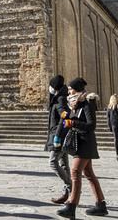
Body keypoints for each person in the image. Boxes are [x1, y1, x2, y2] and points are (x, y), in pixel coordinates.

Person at [57, 77, 107, 219]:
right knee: (89, 174)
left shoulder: (87, 104)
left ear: (77, 89)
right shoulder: (77, 104)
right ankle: (100, 205)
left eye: (70, 88)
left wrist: (72, 123)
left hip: (85, 142)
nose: (68, 91)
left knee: (75, 172)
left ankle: (71, 206)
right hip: (80, 142)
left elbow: (91, 126)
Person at [46, 75, 72, 204]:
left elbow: (65, 115)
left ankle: (70, 185)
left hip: (59, 137)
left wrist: (57, 135)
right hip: (60, 135)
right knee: (64, 164)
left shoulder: (60, 99)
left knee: (53, 162)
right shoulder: (58, 98)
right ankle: (68, 193)